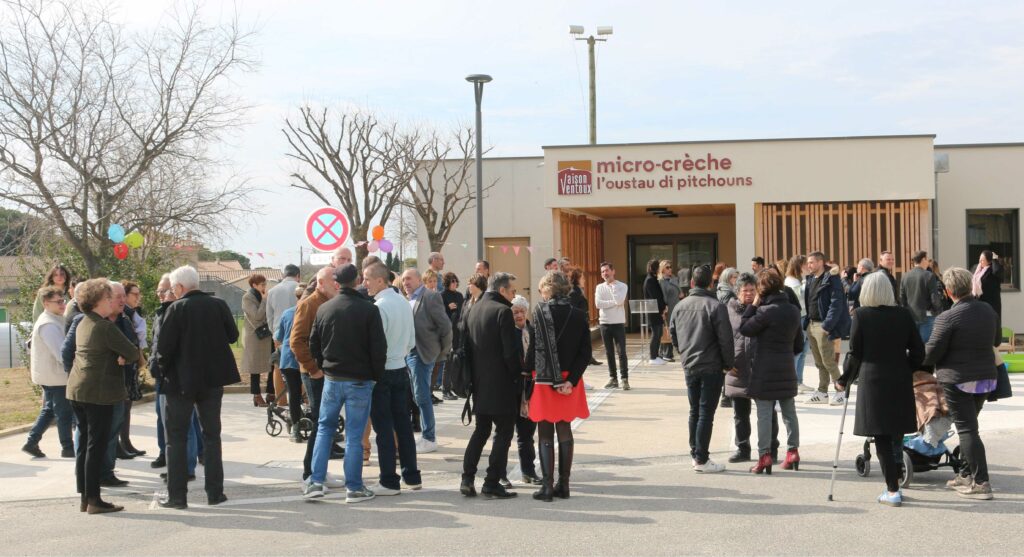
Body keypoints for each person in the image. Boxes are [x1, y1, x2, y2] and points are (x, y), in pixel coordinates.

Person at [154, 266, 240, 509]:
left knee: (176, 438)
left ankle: (177, 496)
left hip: (181, 382)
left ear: (179, 288)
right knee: (212, 436)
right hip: (212, 380)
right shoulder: (219, 305)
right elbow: (233, 335)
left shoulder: (176, 308)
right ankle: (215, 493)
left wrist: (162, 371)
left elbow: (164, 349)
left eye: (172, 288)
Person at [835, 272, 925, 506]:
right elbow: (919, 352)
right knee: (896, 432)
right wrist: (908, 368)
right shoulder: (904, 315)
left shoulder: (861, 316)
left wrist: (844, 379)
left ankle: (892, 489)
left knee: (881, 435)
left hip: (873, 380)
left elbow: (855, 354)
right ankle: (895, 480)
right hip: (899, 378)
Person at [304, 264, 385, 503]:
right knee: (354, 435)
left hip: (332, 378)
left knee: (324, 429)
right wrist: (375, 376)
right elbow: (378, 349)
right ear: (358, 280)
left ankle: (316, 482)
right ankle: (354, 486)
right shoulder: (368, 310)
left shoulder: (324, 309)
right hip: (359, 379)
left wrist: (323, 365)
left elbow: (313, 344)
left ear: (337, 284)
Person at [922, 267, 999, 501]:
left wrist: (916, 358)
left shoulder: (947, 317)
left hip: (958, 379)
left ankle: (981, 482)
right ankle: (966, 474)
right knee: (970, 426)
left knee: (967, 430)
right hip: (986, 378)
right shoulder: (987, 309)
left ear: (948, 291)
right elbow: (995, 340)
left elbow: (932, 352)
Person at [65, 278, 140, 514]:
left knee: (86, 445)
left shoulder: (83, 322)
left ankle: (86, 498)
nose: (113, 302)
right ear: (98, 302)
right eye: (109, 298)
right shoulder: (105, 326)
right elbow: (132, 351)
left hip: (78, 389)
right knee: (96, 446)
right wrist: (124, 356)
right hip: (98, 392)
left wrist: (121, 356)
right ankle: (95, 500)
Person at [526, 271, 591, 501]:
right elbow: (586, 353)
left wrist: (525, 377)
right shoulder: (579, 314)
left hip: (544, 379)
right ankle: (564, 485)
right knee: (565, 429)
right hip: (570, 380)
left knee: (544, 431)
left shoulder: (540, 313)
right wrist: (571, 380)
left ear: (547, 289)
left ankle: (546, 486)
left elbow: (533, 351)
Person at [363, 262, 422, 495]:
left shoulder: (379, 306)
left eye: (367, 278)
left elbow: (377, 346)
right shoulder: (403, 303)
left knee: (384, 428)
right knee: (404, 426)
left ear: (380, 280)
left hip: (383, 371)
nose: (365, 283)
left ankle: (389, 479)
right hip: (401, 367)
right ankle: (412, 475)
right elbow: (411, 341)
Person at [461, 272, 520, 499]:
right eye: (513, 291)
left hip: (479, 382)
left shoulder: (472, 308)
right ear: (502, 290)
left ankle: (467, 478)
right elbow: (509, 352)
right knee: (504, 432)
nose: (514, 296)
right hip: (501, 382)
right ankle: (492, 481)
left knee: (481, 431)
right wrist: (517, 375)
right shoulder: (503, 311)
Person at [670, 265, 734, 473]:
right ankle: (701, 458)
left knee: (694, 411)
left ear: (691, 283)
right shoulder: (715, 306)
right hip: (711, 365)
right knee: (705, 413)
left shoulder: (680, 306)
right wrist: (728, 364)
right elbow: (726, 339)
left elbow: (673, 334)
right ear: (711, 284)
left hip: (690, 364)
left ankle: (696, 453)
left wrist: (683, 353)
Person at [739, 271, 804, 475]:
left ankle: (764, 456)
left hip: (765, 368)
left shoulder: (764, 311)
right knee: (789, 412)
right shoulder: (793, 310)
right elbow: (799, 344)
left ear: (762, 289)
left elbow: (745, 328)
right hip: (785, 366)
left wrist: (754, 304)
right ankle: (792, 451)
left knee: (764, 414)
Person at [291, 267, 344, 481]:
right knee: (320, 422)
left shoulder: (329, 303)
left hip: (327, 371)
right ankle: (310, 472)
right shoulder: (309, 304)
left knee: (326, 422)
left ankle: (317, 469)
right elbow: (296, 341)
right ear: (321, 283)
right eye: (334, 281)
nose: (337, 285)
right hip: (315, 374)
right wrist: (313, 369)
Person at [401, 268, 453, 453]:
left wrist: (442, 352)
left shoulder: (430, 297)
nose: (405, 282)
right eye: (403, 279)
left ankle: (429, 437)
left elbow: (445, 326)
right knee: (417, 395)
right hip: (408, 354)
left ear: (418, 279)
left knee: (422, 396)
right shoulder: (407, 299)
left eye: (408, 279)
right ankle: (425, 434)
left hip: (423, 353)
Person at [22, 286, 74, 459]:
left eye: (63, 300)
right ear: (46, 303)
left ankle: (31, 441)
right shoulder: (48, 324)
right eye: (58, 302)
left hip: (53, 375)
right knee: (63, 412)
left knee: (50, 410)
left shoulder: (56, 319)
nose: (62, 304)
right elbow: (61, 353)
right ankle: (67, 447)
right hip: (55, 376)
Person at [724, 274, 767, 464]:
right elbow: (723, 338)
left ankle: (769, 449)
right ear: (737, 292)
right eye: (745, 290)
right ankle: (742, 448)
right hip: (737, 368)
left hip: (760, 367)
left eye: (752, 290)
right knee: (740, 414)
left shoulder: (763, 309)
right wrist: (726, 363)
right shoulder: (729, 310)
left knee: (766, 412)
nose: (749, 294)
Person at [802, 251, 851, 405]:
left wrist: (827, 325)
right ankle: (822, 392)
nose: (809, 265)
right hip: (811, 324)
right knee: (819, 362)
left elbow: (836, 304)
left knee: (828, 361)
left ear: (820, 262)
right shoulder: (810, 279)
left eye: (811, 262)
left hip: (823, 325)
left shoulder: (832, 279)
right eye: (808, 262)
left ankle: (840, 391)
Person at [505, 295, 539, 487]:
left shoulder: (533, 331)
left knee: (526, 434)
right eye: (515, 312)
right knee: (505, 434)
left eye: (521, 311)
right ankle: (500, 473)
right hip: (510, 387)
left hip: (529, 388)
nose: (519, 315)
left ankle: (529, 471)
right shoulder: (507, 332)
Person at [274, 285, 307, 443]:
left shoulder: (287, 313)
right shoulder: (311, 311)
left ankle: (295, 428)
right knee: (312, 393)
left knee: (293, 394)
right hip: (306, 357)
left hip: (288, 358)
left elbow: (279, 337)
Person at [118, 280, 147, 457]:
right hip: (125, 365)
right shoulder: (123, 314)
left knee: (127, 406)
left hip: (132, 364)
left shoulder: (132, 313)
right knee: (123, 406)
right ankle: (121, 445)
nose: (138, 297)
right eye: (134, 294)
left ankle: (126, 442)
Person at [267, 264, 302, 408]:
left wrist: (274, 332)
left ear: (283, 275)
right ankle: (303, 398)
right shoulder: (301, 288)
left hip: (279, 333)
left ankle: (281, 400)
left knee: (278, 366)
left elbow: (269, 315)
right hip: (299, 332)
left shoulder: (273, 291)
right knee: (301, 366)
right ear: (297, 275)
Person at [595, 262, 629, 389]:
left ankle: (624, 379)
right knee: (609, 352)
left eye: (607, 270)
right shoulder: (599, 287)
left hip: (618, 323)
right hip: (604, 323)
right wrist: (614, 302)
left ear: (613, 271)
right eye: (602, 271)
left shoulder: (622, 286)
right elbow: (598, 304)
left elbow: (620, 301)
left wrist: (614, 289)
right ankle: (613, 378)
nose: (605, 273)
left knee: (621, 352)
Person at [242, 274, 274, 407]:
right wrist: (265, 300)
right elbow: (257, 316)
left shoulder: (262, 295)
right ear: (254, 285)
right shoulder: (247, 297)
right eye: (262, 284)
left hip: (267, 335)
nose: (264, 287)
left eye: (265, 284)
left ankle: (271, 392)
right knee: (255, 368)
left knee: (272, 363)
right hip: (255, 337)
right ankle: (256, 395)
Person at [901, 250, 945, 343]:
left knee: (913, 345)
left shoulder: (905, 276)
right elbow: (934, 298)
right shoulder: (929, 275)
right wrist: (938, 311)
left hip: (911, 316)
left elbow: (902, 298)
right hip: (927, 316)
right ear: (923, 259)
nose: (928, 262)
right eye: (927, 259)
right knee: (925, 346)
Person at [784, 255, 812, 392]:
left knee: (803, 351)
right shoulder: (793, 283)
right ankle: (794, 381)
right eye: (806, 264)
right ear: (799, 266)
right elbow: (799, 303)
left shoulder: (797, 281)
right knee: (798, 351)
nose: (809, 266)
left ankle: (798, 381)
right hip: (799, 319)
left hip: (803, 318)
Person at [567, 266, 602, 367]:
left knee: (586, 342)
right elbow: (573, 308)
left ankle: (588, 358)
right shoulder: (574, 292)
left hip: (583, 321)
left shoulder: (579, 290)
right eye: (582, 278)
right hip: (578, 323)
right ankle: (585, 359)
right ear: (577, 279)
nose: (584, 280)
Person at [440, 272, 464, 401]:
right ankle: (445, 389)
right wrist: (447, 308)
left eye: (456, 281)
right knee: (448, 361)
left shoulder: (459, 295)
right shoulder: (442, 296)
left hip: (459, 331)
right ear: (447, 282)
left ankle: (456, 387)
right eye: (452, 281)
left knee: (456, 360)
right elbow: (439, 314)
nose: (455, 283)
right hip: (448, 332)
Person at [643, 259, 668, 366]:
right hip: (653, 311)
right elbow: (655, 297)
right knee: (656, 333)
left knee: (659, 333)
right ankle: (653, 357)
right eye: (658, 267)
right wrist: (663, 308)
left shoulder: (652, 279)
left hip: (656, 310)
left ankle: (656, 355)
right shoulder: (650, 280)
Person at [658, 260, 681, 362]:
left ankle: (664, 353)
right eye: (667, 267)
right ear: (662, 269)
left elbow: (680, 293)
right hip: (667, 309)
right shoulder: (661, 281)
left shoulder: (674, 279)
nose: (670, 269)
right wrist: (663, 310)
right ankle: (666, 353)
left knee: (671, 330)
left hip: (676, 307)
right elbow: (662, 297)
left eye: (670, 267)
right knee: (667, 330)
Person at [973, 250, 1003, 327]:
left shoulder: (992, 270)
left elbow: (997, 272)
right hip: (979, 302)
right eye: (980, 259)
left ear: (989, 261)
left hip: (992, 303)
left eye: (982, 260)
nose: (980, 261)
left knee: (992, 325)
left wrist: (995, 259)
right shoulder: (978, 269)